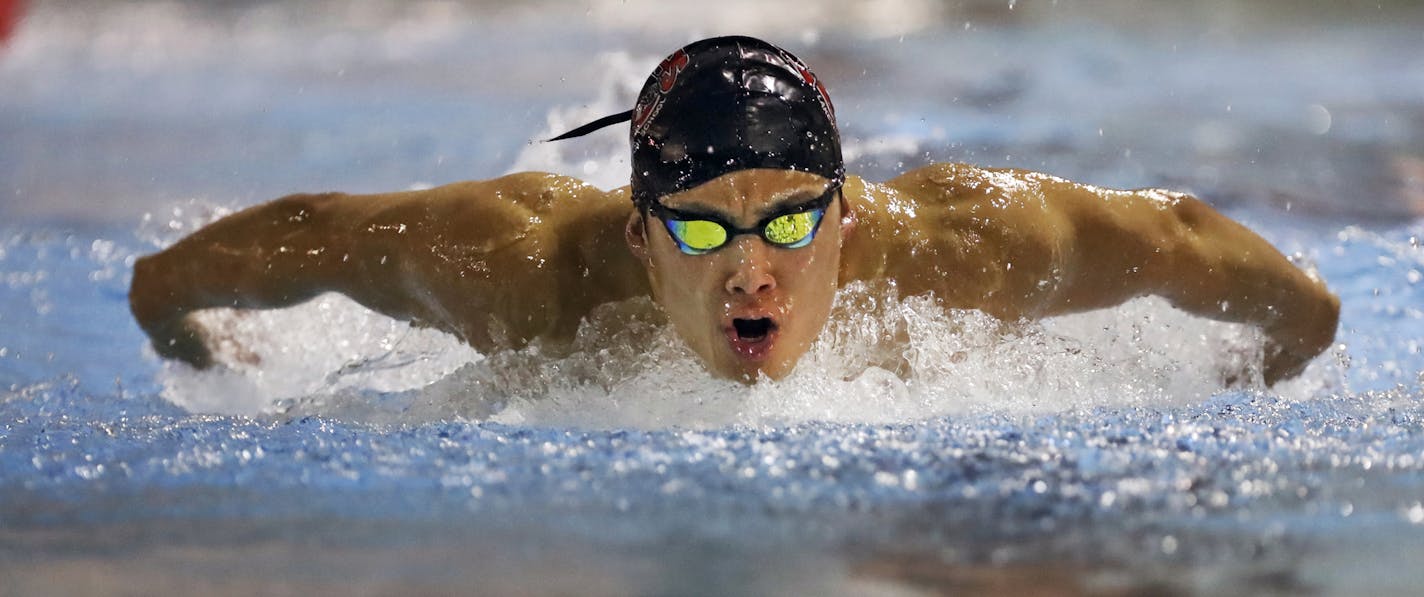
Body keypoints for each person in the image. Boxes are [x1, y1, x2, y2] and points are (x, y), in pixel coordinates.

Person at [129, 36, 1339, 386]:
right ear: (635, 235)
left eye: (789, 222)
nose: (751, 275)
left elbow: (1188, 243)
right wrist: (191, 336)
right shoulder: (514, 269)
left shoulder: (962, 250)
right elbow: (308, 237)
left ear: (847, 219)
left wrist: (1269, 367)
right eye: (702, 227)